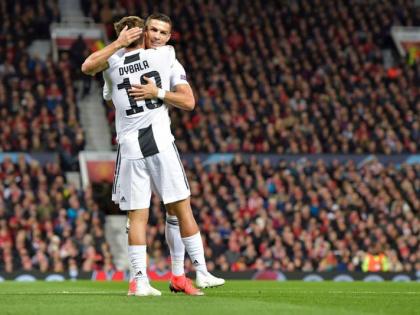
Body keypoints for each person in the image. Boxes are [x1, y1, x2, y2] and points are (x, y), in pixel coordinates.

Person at [82, 15, 224, 296]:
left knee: (140, 216)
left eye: (163, 32)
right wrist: (157, 91)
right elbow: (189, 101)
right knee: (180, 207)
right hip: (158, 142)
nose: (158, 36)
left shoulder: (111, 65)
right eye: (152, 31)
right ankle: (200, 271)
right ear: (143, 32)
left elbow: (94, 75)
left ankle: (142, 280)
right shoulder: (165, 56)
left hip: (131, 145)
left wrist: (118, 50)